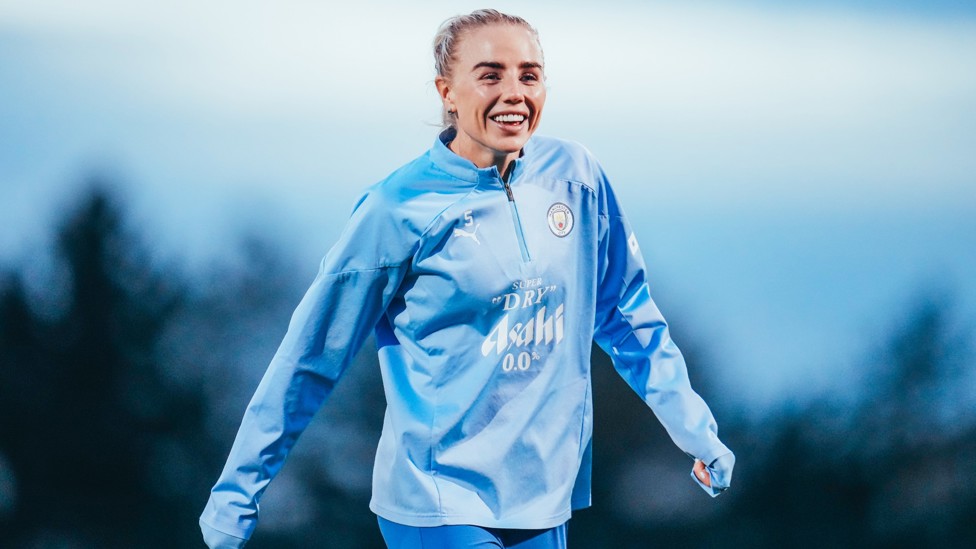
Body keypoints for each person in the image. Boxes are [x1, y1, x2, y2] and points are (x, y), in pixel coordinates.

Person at [200, 9, 734, 549]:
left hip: (542, 498)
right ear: (447, 92)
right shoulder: (397, 208)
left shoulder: (577, 178)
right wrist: (236, 493)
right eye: (490, 75)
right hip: (436, 499)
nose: (514, 93)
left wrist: (694, 429)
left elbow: (624, 313)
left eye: (528, 75)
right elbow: (310, 357)